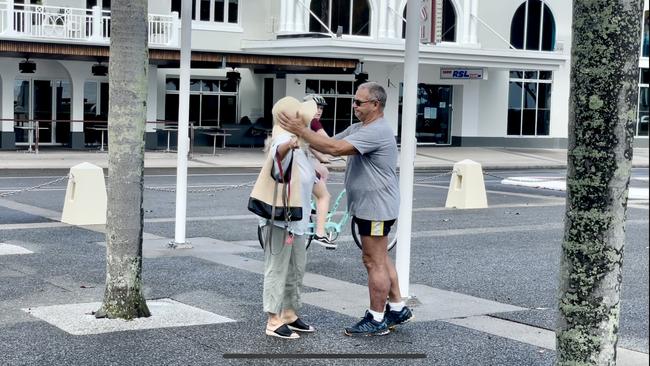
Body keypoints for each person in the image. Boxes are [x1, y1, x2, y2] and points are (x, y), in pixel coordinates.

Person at [278, 82, 413, 337]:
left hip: (377, 206)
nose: (354, 106)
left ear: (375, 104)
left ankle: (376, 318)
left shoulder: (377, 131)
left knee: (372, 261)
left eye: (359, 102)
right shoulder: (360, 127)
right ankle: (397, 308)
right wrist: (303, 130)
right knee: (381, 257)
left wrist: (300, 130)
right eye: (354, 101)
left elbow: (335, 149)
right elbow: (325, 144)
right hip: (371, 205)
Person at [259, 98, 318, 339]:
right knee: (277, 269)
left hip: (297, 220)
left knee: (296, 268)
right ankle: (273, 319)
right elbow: (277, 154)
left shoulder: (301, 145)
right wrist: (289, 144)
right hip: (281, 219)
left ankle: (290, 313)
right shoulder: (284, 139)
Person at [303, 94, 336, 248]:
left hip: (299, 163)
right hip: (303, 165)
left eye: (321, 108)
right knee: (325, 196)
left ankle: (314, 208)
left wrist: (321, 157)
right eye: (316, 107)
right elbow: (328, 141)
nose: (319, 111)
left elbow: (308, 144)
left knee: (323, 171)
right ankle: (320, 234)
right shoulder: (313, 122)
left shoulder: (301, 120)